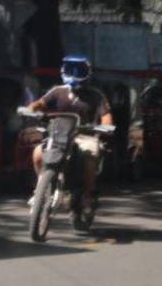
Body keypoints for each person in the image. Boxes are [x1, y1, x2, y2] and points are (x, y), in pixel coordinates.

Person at [26, 55, 112, 210]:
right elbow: (40, 103)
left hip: (84, 136)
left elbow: (106, 116)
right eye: (70, 70)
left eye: (79, 70)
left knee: (90, 157)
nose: (74, 74)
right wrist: (31, 108)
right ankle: (40, 191)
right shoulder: (57, 91)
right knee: (38, 153)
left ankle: (87, 195)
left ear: (87, 73)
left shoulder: (96, 95)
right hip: (58, 135)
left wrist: (106, 126)